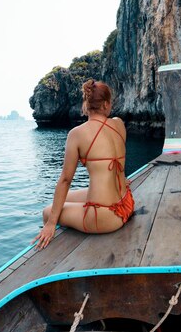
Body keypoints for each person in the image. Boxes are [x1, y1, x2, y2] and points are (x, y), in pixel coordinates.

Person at [32, 79, 135, 249]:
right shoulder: (119, 124)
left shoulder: (77, 134)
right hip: (126, 204)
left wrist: (51, 223)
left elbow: (65, 179)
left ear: (86, 104)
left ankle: (54, 243)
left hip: (103, 217)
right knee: (68, 196)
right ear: (106, 105)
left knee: (47, 211)